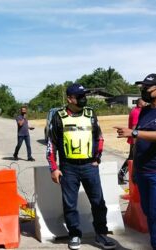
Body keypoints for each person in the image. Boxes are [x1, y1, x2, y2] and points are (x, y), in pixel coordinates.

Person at [47, 83, 116, 250]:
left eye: (85, 95)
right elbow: (51, 144)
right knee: (70, 204)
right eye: (80, 96)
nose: (84, 99)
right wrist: (54, 168)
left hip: (89, 166)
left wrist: (97, 158)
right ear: (70, 99)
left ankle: (101, 234)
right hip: (68, 167)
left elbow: (98, 137)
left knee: (98, 202)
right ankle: (75, 235)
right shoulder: (58, 116)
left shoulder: (91, 114)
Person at [115, 73, 156, 250]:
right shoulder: (146, 111)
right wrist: (133, 167)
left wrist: (133, 132)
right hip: (142, 170)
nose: (143, 91)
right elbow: (138, 141)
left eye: (146, 88)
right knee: (149, 212)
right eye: (142, 88)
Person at [118, 98, 146, 184]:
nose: (145, 103)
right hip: (135, 139)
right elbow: (134, 127)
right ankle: (121, 175)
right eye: (144, 102)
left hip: (136, 139)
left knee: (132, 158)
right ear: (139, 103)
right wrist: (135, 140)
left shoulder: (137, 110)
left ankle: (123, 175)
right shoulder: (136, 112)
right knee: (131, 158)